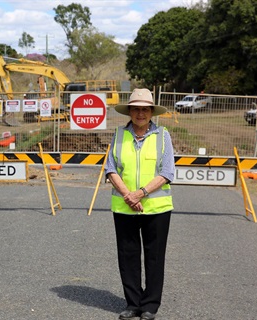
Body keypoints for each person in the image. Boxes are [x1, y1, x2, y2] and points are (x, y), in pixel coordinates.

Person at [105, 88, 175, 320]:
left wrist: (141, 193)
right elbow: (111, 169)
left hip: (156, 208)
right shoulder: (119, 134)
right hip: (124, 207)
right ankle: (133, 303)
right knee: (127, 256)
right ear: (130, 111)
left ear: (151, 112)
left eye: (145, 109)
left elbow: (167, 172)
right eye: (136, 109)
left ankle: (150, 305)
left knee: (154, 257)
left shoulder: (162, 135)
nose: (140, 113)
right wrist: (128, 195)